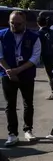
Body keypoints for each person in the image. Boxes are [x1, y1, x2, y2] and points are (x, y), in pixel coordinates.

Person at [0, 10, 41, 146]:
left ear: (24, 23)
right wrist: (9, 71)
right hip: (8, 75)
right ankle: (12, 134)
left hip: (26, 74)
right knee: (10, 105)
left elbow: (35, 58)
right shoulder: (2, 36)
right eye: (12, 23)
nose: (15, 26)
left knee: (27, 103)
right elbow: (0, 56)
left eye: (18, 24)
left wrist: (19, 70)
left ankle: (28, 129)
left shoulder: (34, 37)